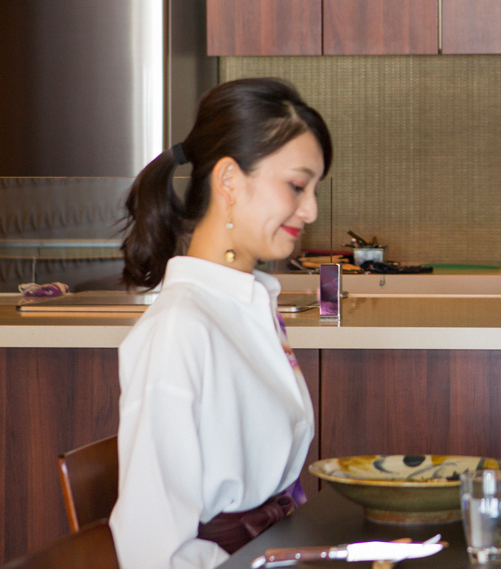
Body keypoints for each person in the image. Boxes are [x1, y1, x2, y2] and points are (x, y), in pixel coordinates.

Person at [109, 78, 333, 569]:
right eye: (297, 186)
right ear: (229, 180)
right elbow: (152, 550)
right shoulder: (179, 330)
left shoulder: (246, 306)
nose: (311, 210)